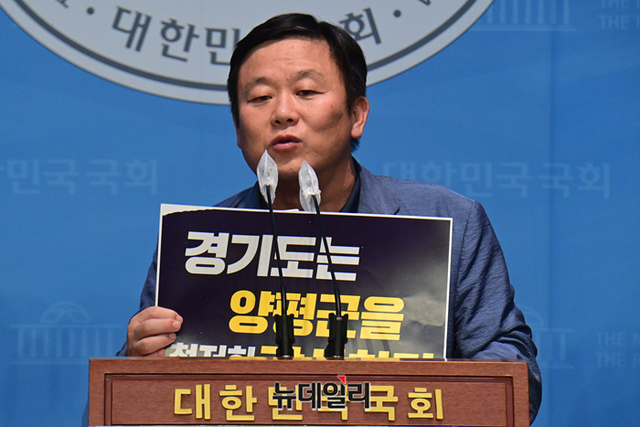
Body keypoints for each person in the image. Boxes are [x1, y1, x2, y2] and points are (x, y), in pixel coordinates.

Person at [117, 13, 542, 422]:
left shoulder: (447, 221)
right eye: (260, 98)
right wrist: (138, 364)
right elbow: (123, 404)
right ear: (237, 127)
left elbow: (511, 369)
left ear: (356, 115)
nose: (283, 113)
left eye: (306, 92)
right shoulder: (196, 241)